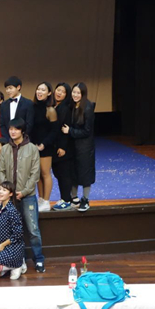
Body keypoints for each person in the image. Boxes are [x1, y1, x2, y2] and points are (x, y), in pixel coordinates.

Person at [0, 118, 44, 272]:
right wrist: (8, 191)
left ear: (22, 131)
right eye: (11, 129)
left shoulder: (32, 149)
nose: (13, 132)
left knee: (33, 229)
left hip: (27, 195)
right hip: (10, 197)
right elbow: (1, 171)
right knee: (13, 231)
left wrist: (23, 192)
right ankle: (19, 259)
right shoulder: (5, 149)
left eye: (16, 129)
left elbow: (35, 173)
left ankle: (39, 259)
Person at [62, 82, 95, 212]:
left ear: (83, 94)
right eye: (74, 92)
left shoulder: (88, 107)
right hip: (73, 145)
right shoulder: (71, 105)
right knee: (73, 172)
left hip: (84, 147)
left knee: (85, 173)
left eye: (78, 93)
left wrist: (70, 131)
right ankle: (73, 198)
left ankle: (85, 200)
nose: (75, 95)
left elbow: (87, 131)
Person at [30, 82, 59, 212]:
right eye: (38, 89)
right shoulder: (32, 107)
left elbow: (54, 131)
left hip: (45, 146)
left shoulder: (50, 110)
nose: (39, 92)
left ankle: (46, 200)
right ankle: (40, 199)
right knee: (37, 174)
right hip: (33, 145)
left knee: (45, 173)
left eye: (43, 90)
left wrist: (43, 144)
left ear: (49, 93)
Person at [52, 82, 75, 211]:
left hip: (63, 148)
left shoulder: (66, 108)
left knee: (64, 174)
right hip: (54, 147)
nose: (59, 93)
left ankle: (66, 200)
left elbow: (65, 129)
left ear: (67, 95)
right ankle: (64, 198)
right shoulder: (54, 106)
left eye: (62, 91)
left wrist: (63, 147)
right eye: (58, 90)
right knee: (59, 174)